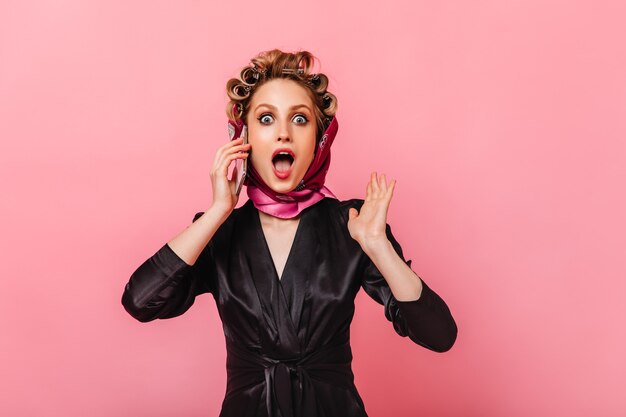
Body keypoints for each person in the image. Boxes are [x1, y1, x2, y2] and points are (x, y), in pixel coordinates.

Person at [121, 49, 458, 417]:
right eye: (266, 119)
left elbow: (439, 335)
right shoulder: (221, 232)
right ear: (243, 136)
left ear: (320, 138)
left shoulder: (355, 225)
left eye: (300, 119)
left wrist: (378, 246)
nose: (283, 133)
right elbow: (141, 302)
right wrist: (218, 211)